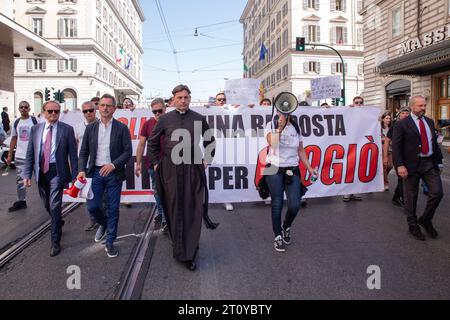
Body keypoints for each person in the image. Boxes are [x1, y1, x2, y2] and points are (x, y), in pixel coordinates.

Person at [148, 84, 217, 271]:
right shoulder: (164, 119)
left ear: (190, 98)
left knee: (192, 208)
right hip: (170, 170)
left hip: (193, 168)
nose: (183, 100)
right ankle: (178, 243)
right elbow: (152, 143)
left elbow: (210, 141)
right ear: (173, 100)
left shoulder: (199, 119)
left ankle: (189, 252)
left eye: (186, 97)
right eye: (179, 98)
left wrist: (206, 161)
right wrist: (156, 164)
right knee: (173, 207)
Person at [77, 93, 132, 258]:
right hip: (95, 173)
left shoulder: (121, 128)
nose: (105, 108)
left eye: (109, 105)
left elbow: (127, 152)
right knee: (93, 206)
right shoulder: (91, 128)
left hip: (114, 174)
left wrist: (113, 164)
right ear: (98, 108)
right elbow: (84, 152)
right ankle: (104, 224)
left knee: (113, 208)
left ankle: (110, 241)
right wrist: (81, 169)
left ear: (114, 109)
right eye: (102, 105)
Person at [23, 101, 78, 257]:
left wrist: (75, 177)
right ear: (43, 112)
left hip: (57, 172)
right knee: (47, 204)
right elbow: (30, 154)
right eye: (50, 111)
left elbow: (73, 156)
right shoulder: (35, 129)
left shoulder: (67, 130)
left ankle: (55, 241)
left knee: (54, 206)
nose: (54, 114)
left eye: (56, 111)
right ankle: (57, 220)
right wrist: (27, 175)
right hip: (41, 172)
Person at [392, 95, 444, 241]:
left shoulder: (429, 121)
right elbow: (396, 147)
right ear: (412, 106)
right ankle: (413, 225)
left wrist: (439, 162)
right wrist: (400, 165)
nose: (423, 108)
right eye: (420, 106)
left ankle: (425, 219)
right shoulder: (402, 124)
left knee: (437, 193)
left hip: (429, 163)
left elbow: (433, 143)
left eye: (424, 105)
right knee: (411, 197)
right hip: (410, 165)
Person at [264, 112, 316, 252]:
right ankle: (277, 236)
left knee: (295, 204)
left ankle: (286, 225)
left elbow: (300, 150)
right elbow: (272, 143)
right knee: (277, 202)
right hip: (273, 168)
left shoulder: (295, 128)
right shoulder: (270, 125)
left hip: (292, 168)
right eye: (280, 112)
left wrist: (310, 169)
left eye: (286, 113)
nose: (283, 115)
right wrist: (279, 128)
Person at [135, 98, 167, 230]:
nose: (158, 113)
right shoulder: (147, 124)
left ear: (165, 109)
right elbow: (141, 144)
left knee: (169, 192)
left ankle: (164, 214)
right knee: (158, 191)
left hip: (170, 165)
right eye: (155, 111)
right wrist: (138, 163)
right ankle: (164, 217)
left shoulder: (173, 123)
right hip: (152, 164)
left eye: (160, 110)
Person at [7, 101, 38, 212]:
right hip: (20, 156)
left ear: (29, 109)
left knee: (40, 179)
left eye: (26, 107)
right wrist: (10, 155)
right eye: (21, 107)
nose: (23, 109)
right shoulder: (16, 122)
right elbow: (14, 138)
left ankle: (47, 199)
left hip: (35, 156)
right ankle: (21, 201)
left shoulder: (35, 120)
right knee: (20, 180)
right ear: (19, 109)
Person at [74, 101, 99, 231]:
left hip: (100, 165)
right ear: (82, 112)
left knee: (103, 195)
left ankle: (103, 220)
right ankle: (93, 219)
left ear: (96, 111)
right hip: (85, 167)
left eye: (91, 110)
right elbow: (76, 146)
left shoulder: (103, 124)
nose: (88, 113)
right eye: (85, 111)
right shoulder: (78, 127)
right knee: (88, 193)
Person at [385, 107, 410, 207]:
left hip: (410, 155)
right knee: (402, 177)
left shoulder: (412, 124)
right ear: (399, 114)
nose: (404, 114)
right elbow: (387, 140)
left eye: (407, 113)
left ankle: (396, 197)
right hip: (398, 155)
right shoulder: (395, 125)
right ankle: (404, 200)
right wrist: (385, 156)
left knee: (406, 177)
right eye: (402, 113)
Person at [215, 92, 234, 211]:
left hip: (229, 147)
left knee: (227, 173)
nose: (222, 101)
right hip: (214, 148)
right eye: (219, 99)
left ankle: (227, 198)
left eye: (224, 99)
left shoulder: (232, 110)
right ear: (215, 101)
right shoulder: (209, 111)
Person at [343, 96, 365, 202]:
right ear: (353, 103)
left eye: (361, 103)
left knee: (358, 168)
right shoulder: (348, 112)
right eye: (357, 102)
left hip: (361, 145)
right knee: (348, 168)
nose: (359, 104)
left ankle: (355, 191)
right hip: (348, 145)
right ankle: (346, 192)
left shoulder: (367, 114)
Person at [381, 112, 393, 191]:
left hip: (391, 149)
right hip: (381, 149)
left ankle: (381, 178)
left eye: (389, 118)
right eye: (386, 118)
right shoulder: (379, 128)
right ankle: (385, 183)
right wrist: (384, 139)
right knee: (384, 166)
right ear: (383, 119)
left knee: (390, 166)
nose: (388, 120)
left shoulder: (392, 128)